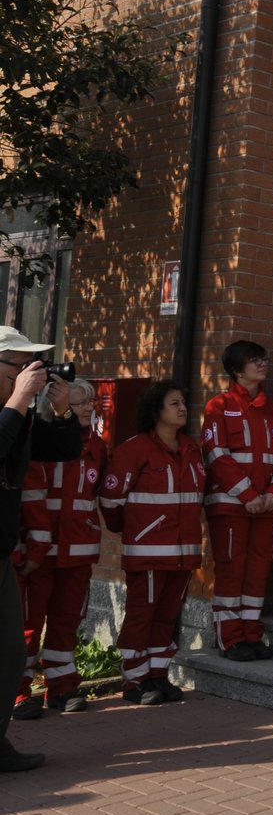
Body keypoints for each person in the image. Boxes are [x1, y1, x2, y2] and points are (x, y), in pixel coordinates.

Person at [0, 329, 82, 771]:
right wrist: (18, 401)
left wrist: (61, 409)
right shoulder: (11, 411)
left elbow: (66, 450)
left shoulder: (19, 414)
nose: (31, 373)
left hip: (0, 552)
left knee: (11, 652)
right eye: (19, 364)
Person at [101, 380, 204, 708]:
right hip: (147, 553)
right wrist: (136, 532)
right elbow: (111, 501)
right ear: (156, 410)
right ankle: (135, 680)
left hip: (184, 553)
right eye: (174, 403)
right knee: (141, 616)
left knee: (168, 615)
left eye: (183, 402)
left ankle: (158, 675)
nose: (182, 408)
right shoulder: (133, 450)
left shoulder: (191, 448)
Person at [14, 381, 104, 718]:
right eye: (79, 402)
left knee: (67, 622)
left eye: (90, 401)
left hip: (78, 552)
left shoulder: (98, 445)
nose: (87, 407)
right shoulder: (40, 438)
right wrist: (32, 549)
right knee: (27, 624)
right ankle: (17, 691)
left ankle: (62, 687)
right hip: (38, 554)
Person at [202, 340, 273, 662]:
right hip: (230, 507)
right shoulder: (218, 406)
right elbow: (217, 455)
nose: (263, 364)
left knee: (258, 570)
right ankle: (230, 638)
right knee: (231, 570)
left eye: (264, 358)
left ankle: (252, 633)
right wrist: (248, 495)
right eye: (255, 360)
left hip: (266, 508)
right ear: (236, 370)